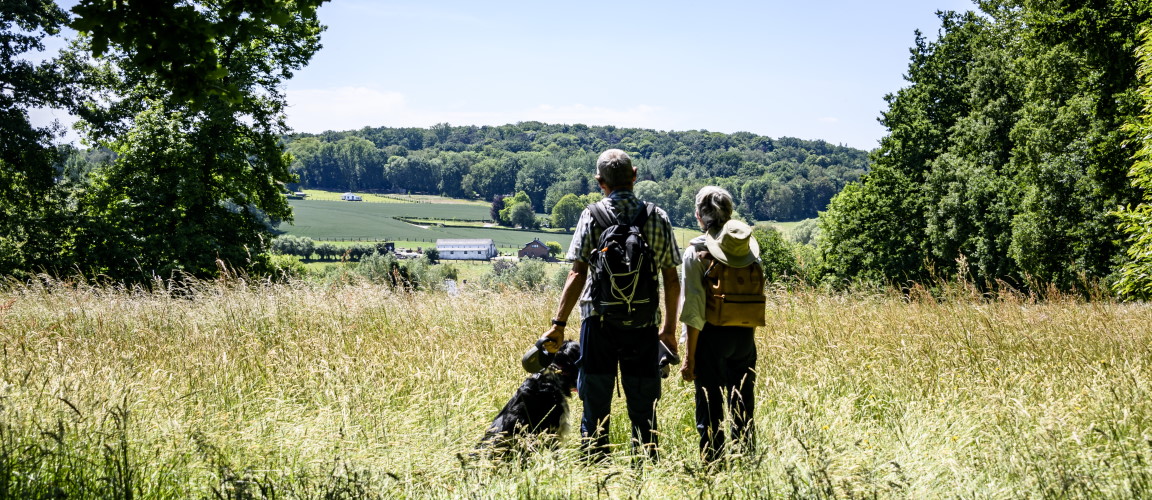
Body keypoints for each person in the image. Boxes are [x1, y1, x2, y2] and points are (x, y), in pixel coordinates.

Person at [541, 149, 680, 460]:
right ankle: (645, 474)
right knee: (645, 411)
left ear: (599, 181)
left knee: (594, 408)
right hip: (644, 326)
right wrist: (668, 331)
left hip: (597, 323)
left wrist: (558, 325)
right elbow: (672, 280)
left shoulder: (591, 215)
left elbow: (577, 273)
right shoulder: (657, 217)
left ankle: (596, 472)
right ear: (635, 175)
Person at [679, 186, 761, 462]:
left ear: (700, 216)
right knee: (743, 406)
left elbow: (693, 310)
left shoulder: (696, 252)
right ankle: (747, 462)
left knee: (709, 407)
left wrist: (689, 357)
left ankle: (713, 468)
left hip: (710, 338)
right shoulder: (748, 249)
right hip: (745, 337)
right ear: (729, 213)